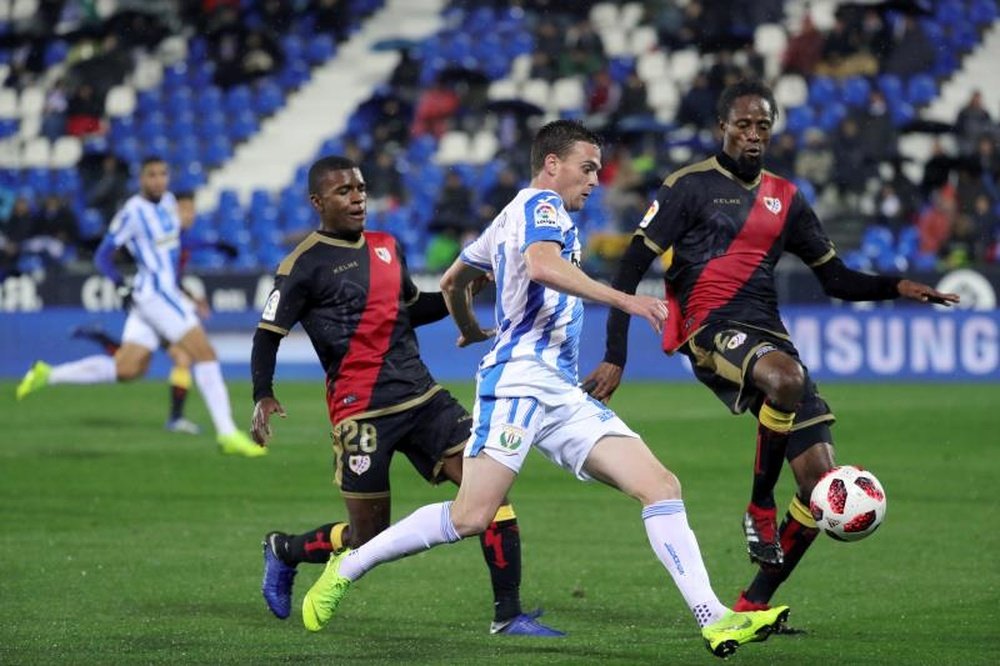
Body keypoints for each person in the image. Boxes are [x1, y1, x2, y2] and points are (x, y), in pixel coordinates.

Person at [291, 121, 790, 659]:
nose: (595, 180)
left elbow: (457, 279)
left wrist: (468, 326)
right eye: (587, 167)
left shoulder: (510, 214)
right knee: (471, 517)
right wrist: (627, 301)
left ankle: (714, 618)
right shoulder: (542, 207)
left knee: (661, 485)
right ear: (552, 164)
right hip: (520, 384)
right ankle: (352, 563)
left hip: (560, 391)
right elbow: (542, 265)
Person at [582, 80, 959, 613]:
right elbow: (629, 268)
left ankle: (755, 604)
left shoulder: (786, 197)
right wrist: (615, 354)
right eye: (743, 125)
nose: (753, 135)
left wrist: (895, 287)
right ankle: (759, 507)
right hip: (711, 329)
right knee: (784, 378)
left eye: (763, 125)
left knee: (820, 485)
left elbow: (836, 278)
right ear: (722, 128)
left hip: (768, 335)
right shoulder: (687, 186)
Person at [249, 155, 561, 637]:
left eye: (360, 188)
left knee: (490, 493)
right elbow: (268, 333)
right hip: (363, 412)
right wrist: (263, 393)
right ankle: (285, 550)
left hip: (423, 396)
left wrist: (467, 290)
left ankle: (508, 614)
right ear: (317, 202)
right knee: (367, 538)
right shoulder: (301, 265)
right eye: (343, 192)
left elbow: (409, 310)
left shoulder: (387, 246)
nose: (357, 198)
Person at [16, 157, 264, 458]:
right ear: (142, 179)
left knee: (128, 368)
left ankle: (48, 374)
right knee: (205, 354)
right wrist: (120, 284)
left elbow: (177, 242)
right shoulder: (132, 212)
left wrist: (213, 245)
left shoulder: (169, 203)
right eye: (152, 175)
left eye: (163, 174)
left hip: (157, 296)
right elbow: (103, 256)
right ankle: (226, 433)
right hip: (155, 294)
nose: (158, 180)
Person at [70, 191, 238, 435]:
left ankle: (100, 338)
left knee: (134, 365)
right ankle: (179, 419)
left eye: (192, 210)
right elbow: (179, 251)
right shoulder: (168, 237)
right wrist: (216, 245)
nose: (189, 215)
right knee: (178, 359)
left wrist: (193, 297)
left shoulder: (176, 240)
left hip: (161, 300)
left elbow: (174, 279)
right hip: (153, 303)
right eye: (184, 210)